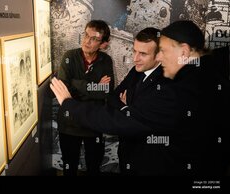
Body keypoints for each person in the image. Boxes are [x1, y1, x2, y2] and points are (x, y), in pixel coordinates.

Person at [50, 21, 230, 176]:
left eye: (163, 51)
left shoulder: (181, 90)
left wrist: (68, 103)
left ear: (184, 51)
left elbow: (116, 118)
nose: (159, 57)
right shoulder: (209, 75)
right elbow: (113, 96)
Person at [55, 20, 114, 176]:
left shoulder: (106, 61)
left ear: (103, 45)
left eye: (94, 39)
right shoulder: (69, 57)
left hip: (94, 124)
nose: (87, 41)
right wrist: (95, 86)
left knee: (94, 167)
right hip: (69, 123)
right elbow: (63, 90)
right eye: (86, 35)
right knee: (69, 167)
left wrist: (76, 84)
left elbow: (106, 92)